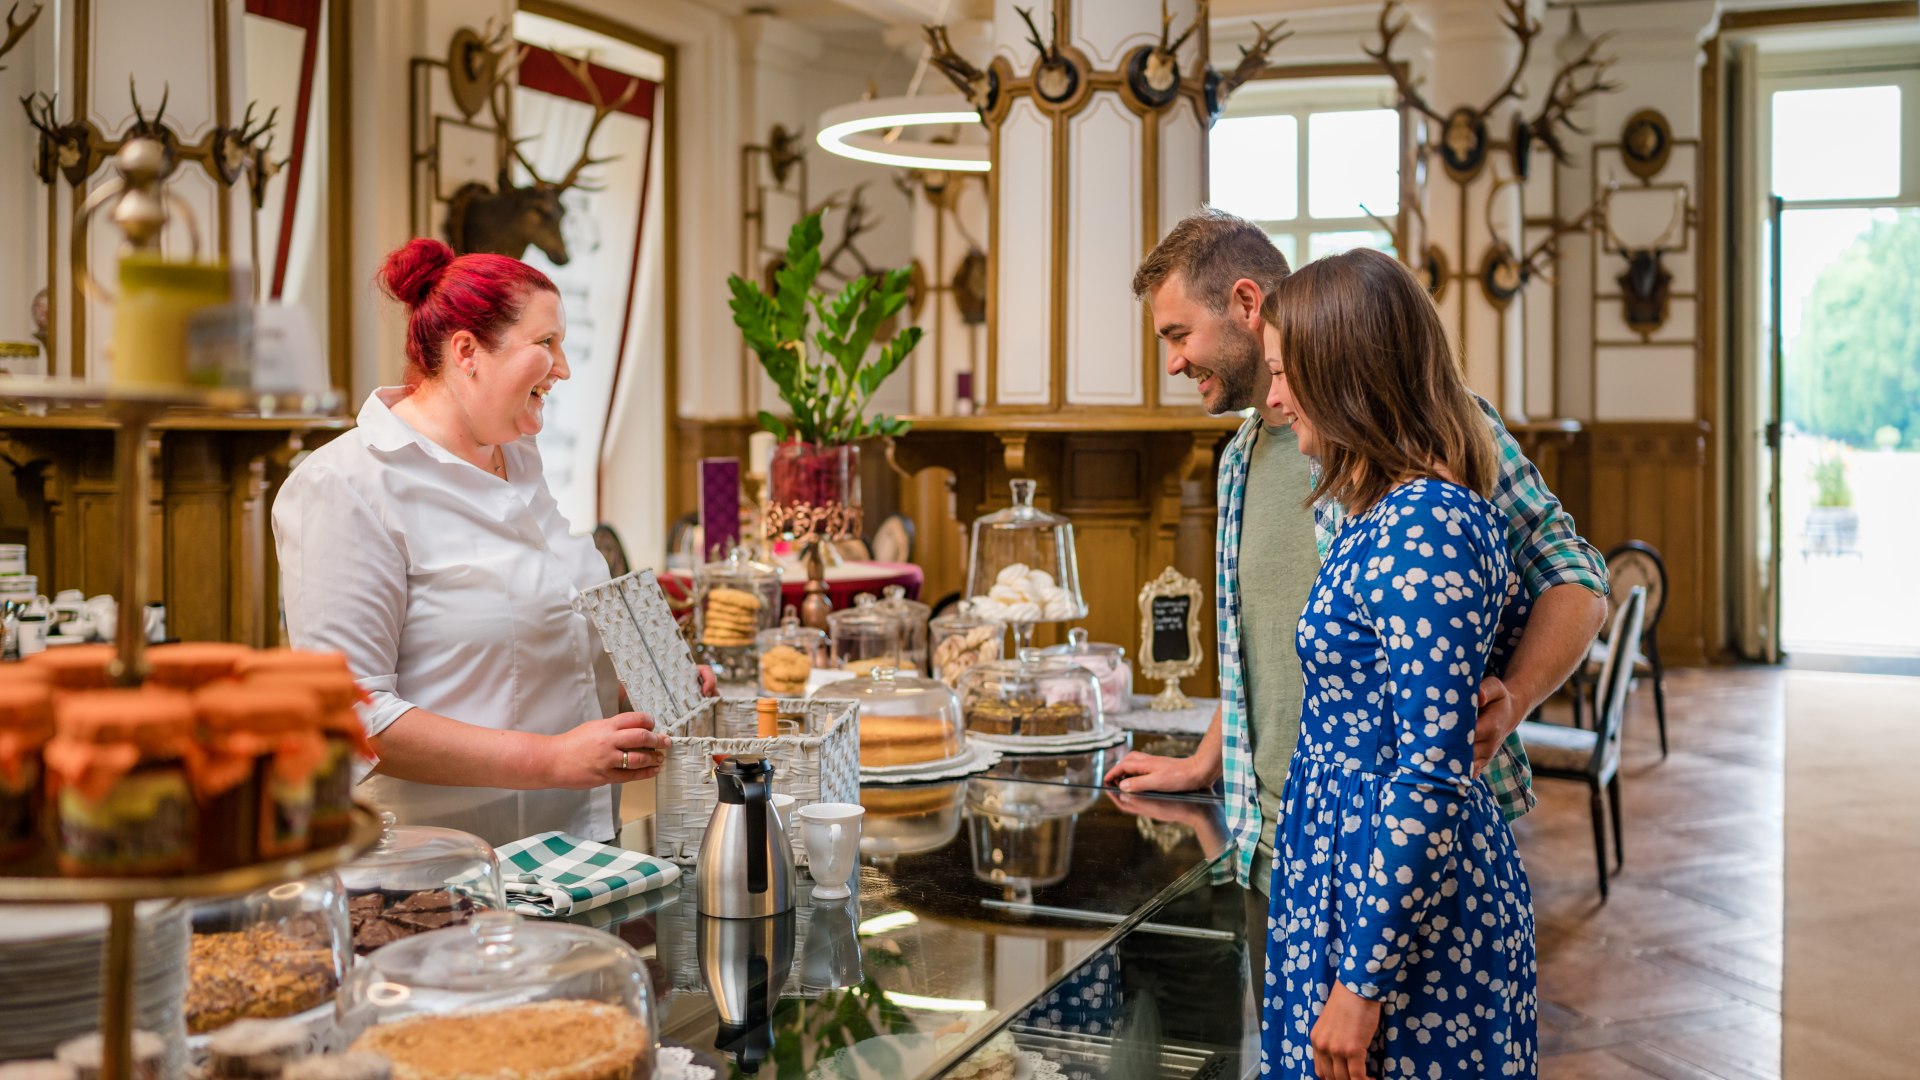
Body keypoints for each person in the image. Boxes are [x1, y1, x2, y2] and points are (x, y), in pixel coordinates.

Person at [1105, 210, 1605, 977]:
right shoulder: (1236, 459)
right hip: (1268, 845)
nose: (1173, 363)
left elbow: (1575, 578)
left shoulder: (1424, 431)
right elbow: (1265, 647)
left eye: (1178, 335)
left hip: (1394, 858)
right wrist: (1207, 761)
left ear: (1245, 304)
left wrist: (1518, 695)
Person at [273, 238, 711, 846]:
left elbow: (523, 647)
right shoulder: (343, 485)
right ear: (467, 351)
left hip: (578, 855)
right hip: (442, 873)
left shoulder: (520, 461)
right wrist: (554, 759)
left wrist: (639, 687)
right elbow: (352, 716)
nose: (563, 368)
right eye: (546, 344)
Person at [1258, 246, 1536, 1078]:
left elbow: (1431, 773)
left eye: (1285, 374)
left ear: (1347, 376)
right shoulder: (1385, 511)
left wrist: (1363, 980)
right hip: (1348, 873)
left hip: (1399, 916)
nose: (1273, 398)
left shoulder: (1427, 525)